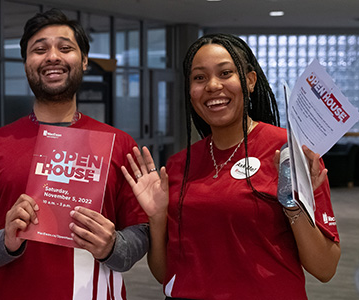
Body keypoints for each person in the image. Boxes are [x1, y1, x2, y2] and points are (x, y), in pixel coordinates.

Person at [121, 33, 341, 299]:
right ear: (190, 92)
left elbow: (325, 268)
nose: (213, 86)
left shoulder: (289, 153)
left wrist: (293, 205)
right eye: (199, 77)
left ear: (249, 81)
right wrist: (157, 219)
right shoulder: (180, 165)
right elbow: (165, 272)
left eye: (225, 73)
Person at [0, 9, 149, 300]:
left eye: (65, 48)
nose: (52, 57)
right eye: (39, 49)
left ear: (85, 61)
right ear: (26, 62)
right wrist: (6, 241)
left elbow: (140, 233)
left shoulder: (119, 144)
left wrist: (113, 246)